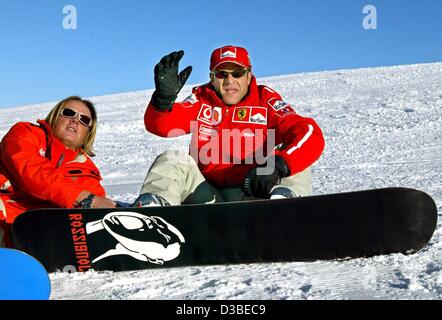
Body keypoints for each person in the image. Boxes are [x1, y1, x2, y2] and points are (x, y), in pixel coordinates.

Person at [138, 45, 325, 206]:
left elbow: (308, 133)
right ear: (212, 77)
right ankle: (152, 217)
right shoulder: (201, 100)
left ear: (249, 76)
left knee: (292, 158)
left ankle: (285, 211)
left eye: (237, 73)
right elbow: (161, 126)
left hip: (255, 195)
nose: (229, 81)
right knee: (172, 159)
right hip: (209, 196)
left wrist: (277, 165)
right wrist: (162, 100)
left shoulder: (264, 100)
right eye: (221, 74)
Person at [0, 96, 116, 247]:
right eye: (69, 113)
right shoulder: (25, 133)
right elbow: (32, 170)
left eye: (84, 120)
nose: (75, 120)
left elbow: (93, 212)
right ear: (55, 117)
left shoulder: (87, 171)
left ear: (88, 132)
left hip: (39, 234)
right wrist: (83, 198)